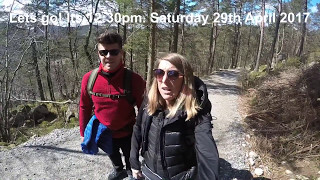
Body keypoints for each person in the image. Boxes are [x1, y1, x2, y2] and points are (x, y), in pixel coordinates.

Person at [130, 53, 219, 180]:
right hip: (149, 173)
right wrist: (134, 163)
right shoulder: (150, 101)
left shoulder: (196, 111)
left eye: (173, 74)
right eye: (160, 73)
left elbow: (207, 152)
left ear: (185, 79)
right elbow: (138, 128)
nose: (164, 80)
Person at [79, 32, 146, 180]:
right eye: (104, 52)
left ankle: (131, 172)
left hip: (129, 132)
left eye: (114, 51)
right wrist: (84, 133)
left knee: (131, 160)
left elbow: (144, 110)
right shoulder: (89, 79)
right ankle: (118, 170)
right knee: (113, 154)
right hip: (104, 132)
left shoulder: (134, 80)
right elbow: (84, 106)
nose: (108, 56)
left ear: (121, 53)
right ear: (98, 53)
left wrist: (145, 135)